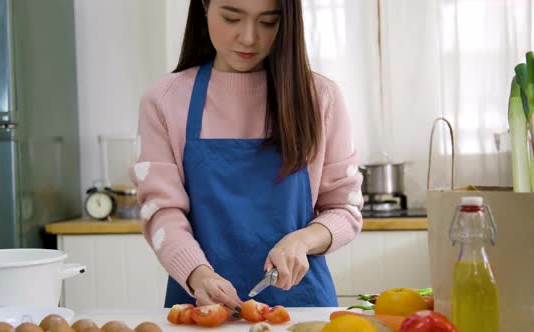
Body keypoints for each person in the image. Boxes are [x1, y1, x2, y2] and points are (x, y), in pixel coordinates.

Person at [132, 0, 363, 314]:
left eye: (268, 22)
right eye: (231, 18)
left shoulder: (320, 98)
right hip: (201, 311)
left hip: (303, 310)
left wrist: (303, 241)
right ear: (204, 7)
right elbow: (162, 213)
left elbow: (344, 209)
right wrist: (197, 273)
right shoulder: (164, 102)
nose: (249, 38)